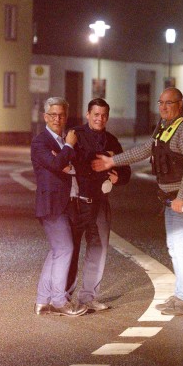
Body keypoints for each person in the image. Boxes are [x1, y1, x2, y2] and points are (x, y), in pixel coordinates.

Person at [93, 86, 183, 315]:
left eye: (169, 103)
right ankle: (179, 296)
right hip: (172, 197)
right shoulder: (164, 127)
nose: (163, 107)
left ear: (180, 105)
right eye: (161, 102)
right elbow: (146, 149)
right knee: (175, 248)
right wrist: (112, 162)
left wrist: (182, 196)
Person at [64, 98, 130, 311]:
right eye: (96, 114)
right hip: (77, 202)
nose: (99, 119)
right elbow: (73, 162)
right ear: (87, 114)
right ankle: (63, 297)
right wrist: (98, 162)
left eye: (103, 115)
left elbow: (126, 171)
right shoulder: (75, 135)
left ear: (107, 117)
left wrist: (117, 177)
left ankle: (88, 298)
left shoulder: (111, 141)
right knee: (70, 250)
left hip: (101, 203)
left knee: (98, 250)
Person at [30, 97, 87, 317]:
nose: (57, 118)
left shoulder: (62, 140)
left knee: (56, 251)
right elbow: (55, 164)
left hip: (67, 202)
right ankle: (59, 301)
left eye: (61, 115)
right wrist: (68, 148)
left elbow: (71, 165)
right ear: (45, 117)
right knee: (65, 249)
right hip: (52, 204)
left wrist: (65, 157)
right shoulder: (41, 142)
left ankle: (43, 301)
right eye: (53, 115)